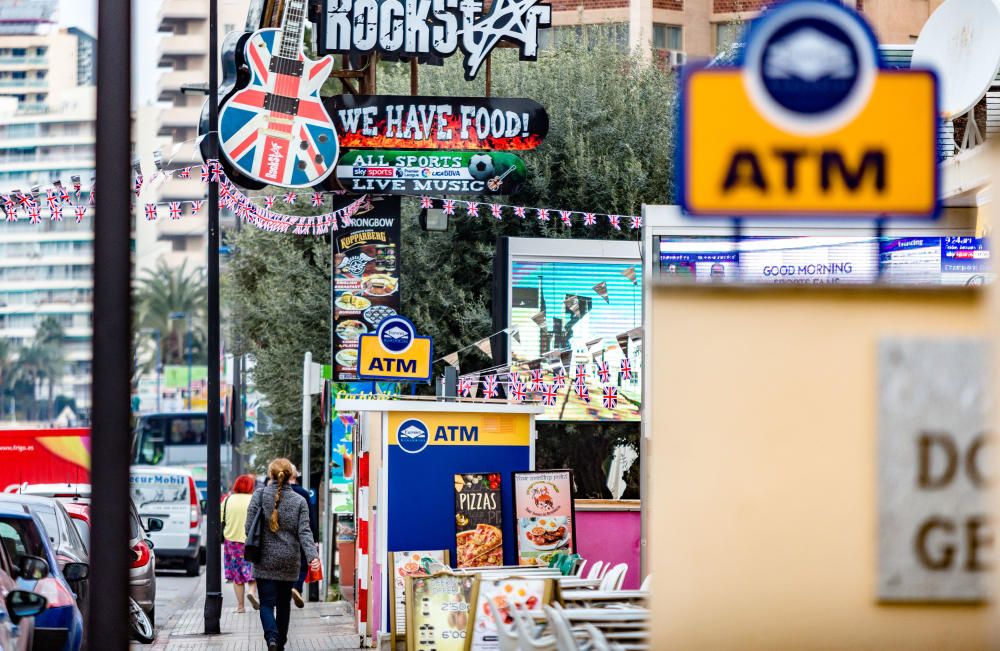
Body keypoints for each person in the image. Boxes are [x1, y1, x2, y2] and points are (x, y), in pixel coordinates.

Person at [246, 458, 320, 651]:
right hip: (289, 560)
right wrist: (313, 556)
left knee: (267, 604)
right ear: (290, 475)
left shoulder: (259, 496)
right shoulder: (299, 501)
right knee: (284, 604)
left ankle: (271, 638)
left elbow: (248, 528)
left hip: (264, 559)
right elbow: (305, 531)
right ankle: (280, 643)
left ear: (271, 474)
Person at [222, 474, 257, 613]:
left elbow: (219, 517)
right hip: (251, 541)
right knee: (253, 570)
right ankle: (252, 592)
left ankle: (240, 606)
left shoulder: (227, 500)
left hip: (232, 543)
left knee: (238, 575)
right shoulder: (254, 499)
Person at [287, 464, 319, 608]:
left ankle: (285, 591)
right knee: (303, 565)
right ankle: (297, 587)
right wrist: (315, 538)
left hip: (282, 536)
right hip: (301, 534)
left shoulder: (277, 492)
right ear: (295, 475)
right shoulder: (303, 493)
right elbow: (311, 517)